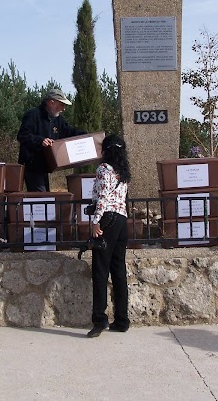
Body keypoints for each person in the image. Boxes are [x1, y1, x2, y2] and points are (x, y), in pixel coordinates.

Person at [87, 134, 131, 338]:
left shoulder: (104, 169)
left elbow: (103, 197)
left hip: (108, 219)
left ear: (105, 150)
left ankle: (99, 319)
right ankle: (122, 319)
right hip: (122, 221)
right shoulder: (123, 172)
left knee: (100, 269)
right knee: (118, 269)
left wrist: (96, 222)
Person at [17, 88, 85, 192]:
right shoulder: (33, 115)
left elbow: (69, 132)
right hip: (32, 166)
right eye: (62, 105)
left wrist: (88, 136)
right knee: (41, 198)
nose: (64, 109)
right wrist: (40, 141)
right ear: (52, 103)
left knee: (45, 197)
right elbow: (22, 136)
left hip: (45, 167)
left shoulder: (58, 120)